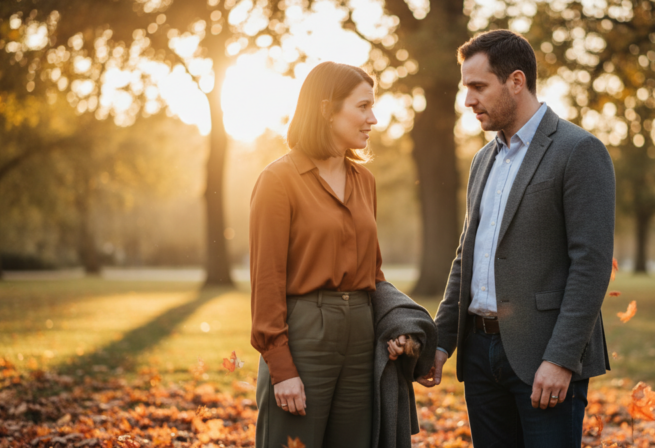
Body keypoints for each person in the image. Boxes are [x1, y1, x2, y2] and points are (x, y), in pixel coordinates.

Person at [419, 30, 616, 447]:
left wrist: (561, 359)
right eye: (465, 88)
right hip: (479, 358)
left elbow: (590, 265)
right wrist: (441, 342)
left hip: (544, 359)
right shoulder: (481, 160)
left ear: (516, 81)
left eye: (478, 87)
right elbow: (465, 257)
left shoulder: (579, 150)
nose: (468, 100)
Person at [249, 61, 434, 448]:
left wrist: (395, 325)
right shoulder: (278, 181)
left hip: (362, 336)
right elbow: (267, 281)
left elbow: (374, 273)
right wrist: (282, 370)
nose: (374, 118)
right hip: (304, 334)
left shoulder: (364, 180)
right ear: (326, 109)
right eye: (363, 107)